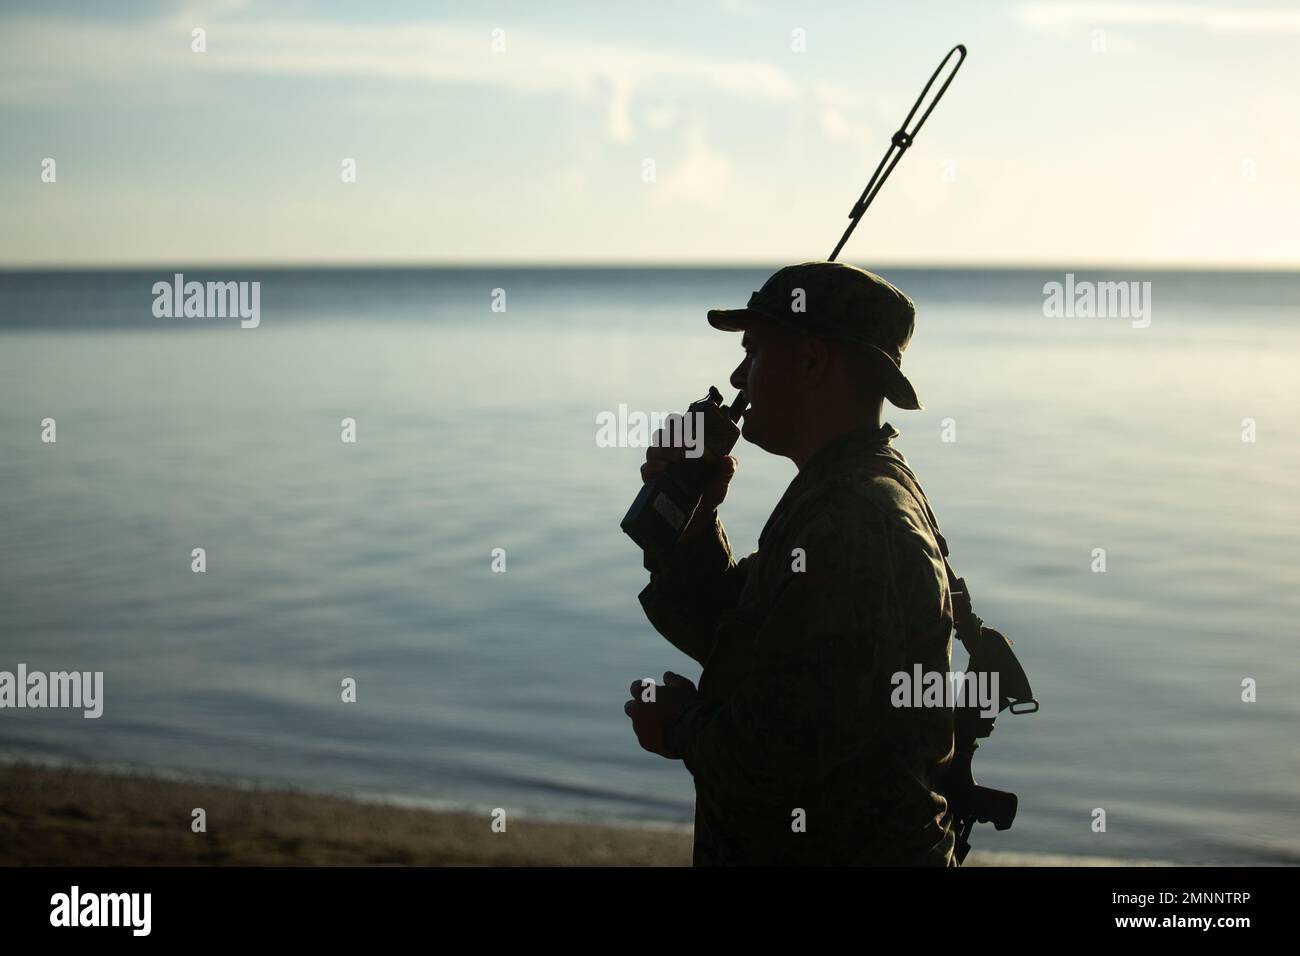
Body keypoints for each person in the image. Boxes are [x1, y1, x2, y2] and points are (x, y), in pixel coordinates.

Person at [624, 261, 957, 866]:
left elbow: (786, 751)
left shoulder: (855, 519)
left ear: (811, 362)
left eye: (752, 351)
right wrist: (690, 525)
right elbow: (744, 642)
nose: (736, 375)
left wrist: (679, 727)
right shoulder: (839, 493)